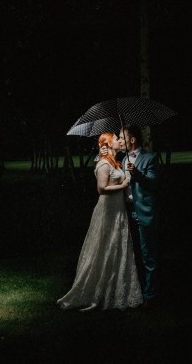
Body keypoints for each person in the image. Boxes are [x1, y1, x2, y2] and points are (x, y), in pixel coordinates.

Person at [57, 132, 144, 311]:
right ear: (109, 144)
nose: (120, 141)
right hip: (109, 210)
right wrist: (123, 185)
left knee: (116, 246)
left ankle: (113, 289)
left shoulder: (115, 161)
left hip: (118, 209)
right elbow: (101, 189)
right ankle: (96, 290)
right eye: (117, 139)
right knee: (105, 246)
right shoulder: (104, 163)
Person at [119, 124, 161, 307]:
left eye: (122, 137)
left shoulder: (150, 158)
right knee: (132, 254)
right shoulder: (123, 160)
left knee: (148, 256)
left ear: (133, 139)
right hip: (127, 212)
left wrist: (136, 173)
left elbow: (152, 183)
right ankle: (135, 291)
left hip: (143, 212)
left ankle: (150, 295)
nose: (120, 141)